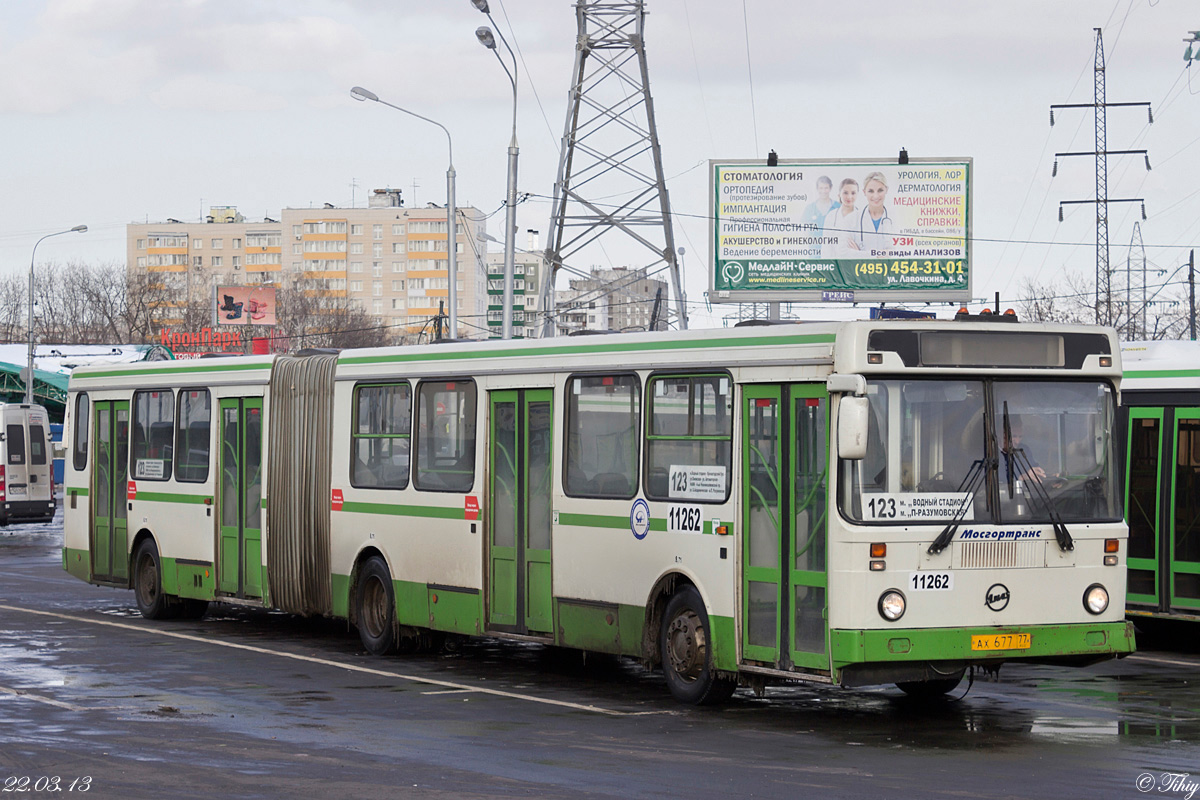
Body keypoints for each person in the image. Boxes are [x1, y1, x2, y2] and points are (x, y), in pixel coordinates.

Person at [820, 178, 861, 258]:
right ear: (839, 194)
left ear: (857, 194)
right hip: (835, 265)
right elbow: (825, 248)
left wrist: (858, 253)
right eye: (845, 193)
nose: (849, 197)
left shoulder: (862, 217)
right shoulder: (831, 216)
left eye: (853, 193)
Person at [857, 171, 895, 256]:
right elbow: (847, 252)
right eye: (871, 191)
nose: (876, 196)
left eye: (880, 190)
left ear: (886, 190)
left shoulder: (895, 218)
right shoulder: (854, 219)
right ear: (864, 192)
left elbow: (902, 251)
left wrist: (861, 254)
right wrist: (879, 255)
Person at [1003, 417, 1047, 484]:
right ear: (1003, 434)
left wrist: (1047, 476)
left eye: (1020, 437)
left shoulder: (1024, 450)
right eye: (1014, 436)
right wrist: (1022, 477)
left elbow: (1033, 467)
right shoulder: (993, 454)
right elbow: (999, 479)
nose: (1017, 441)